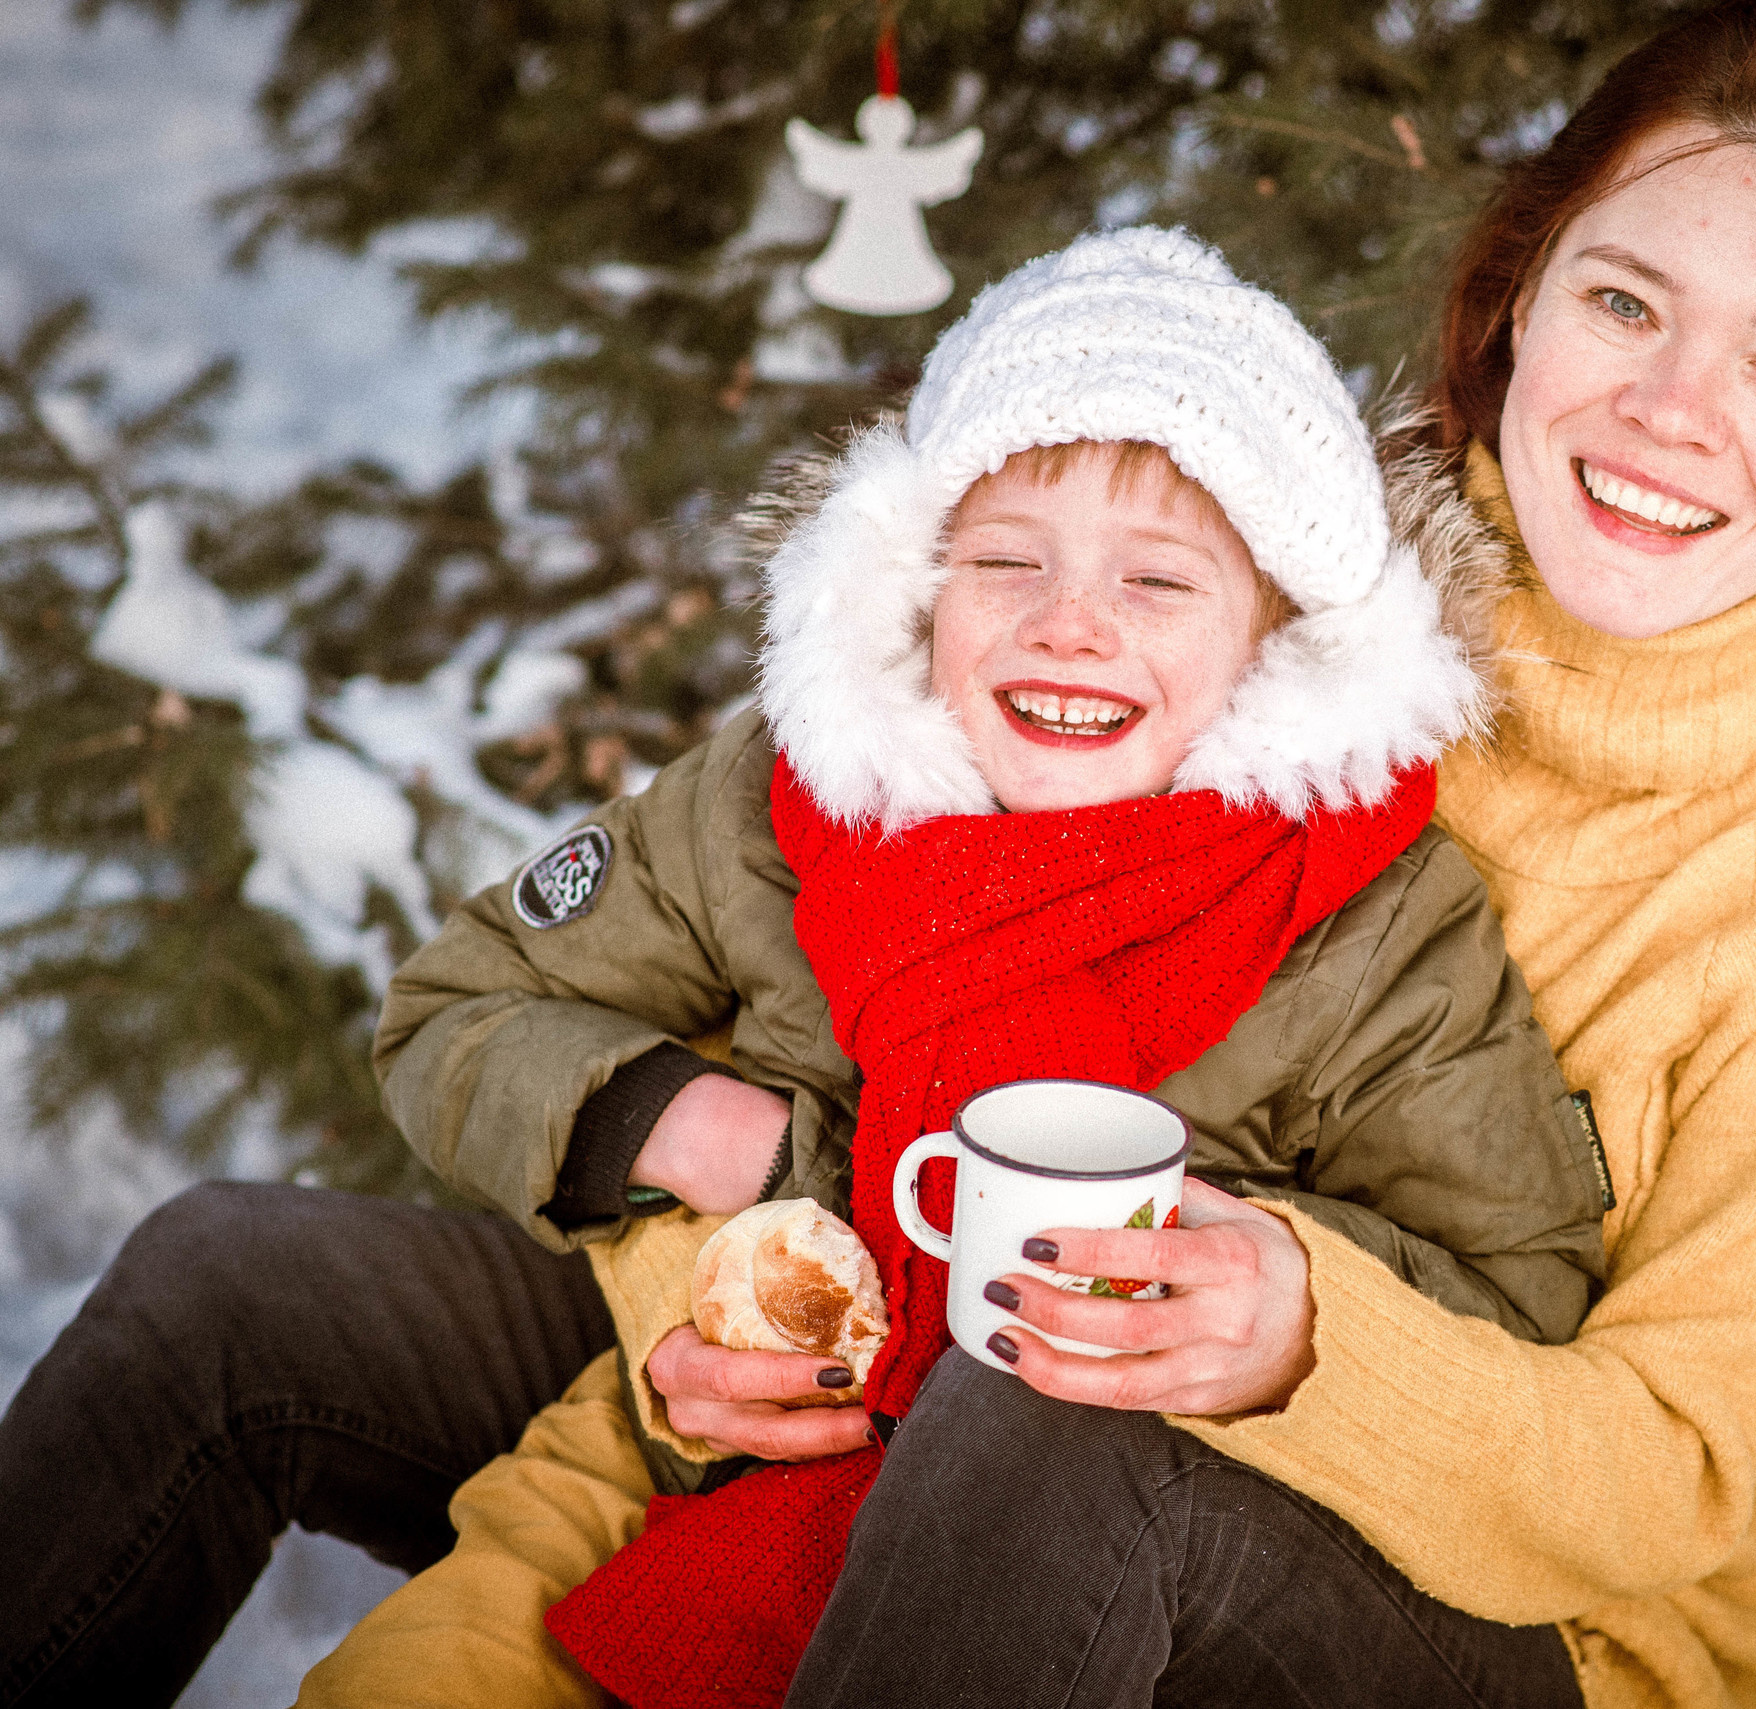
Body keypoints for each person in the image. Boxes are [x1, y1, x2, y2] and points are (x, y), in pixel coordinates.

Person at [0, 4, 1756, 1706]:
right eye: (1624, 302)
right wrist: (719, 1292)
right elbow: (801, 956)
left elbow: (1664, 1472)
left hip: (1498, 1610)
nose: (1670, 410)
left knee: (1055, 1409)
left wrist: (1300, 1338)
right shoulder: (1286, 562)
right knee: (235, 1289)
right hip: (881, 1340)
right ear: (1516, 300)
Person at [293, 224, 1607, 1708]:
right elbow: (457, 1007)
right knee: (233, 1272)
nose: (1070, 624)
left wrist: (1284, 1290)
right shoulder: (799, 802)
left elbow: (1526, 1290)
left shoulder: (1365, 916)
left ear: (1275, 639)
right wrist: (697, 1131)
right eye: (1006, 560)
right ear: (921, 585)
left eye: (1159, 582)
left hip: (1185, 1549)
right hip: (800, 1448)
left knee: (1024, 1413)